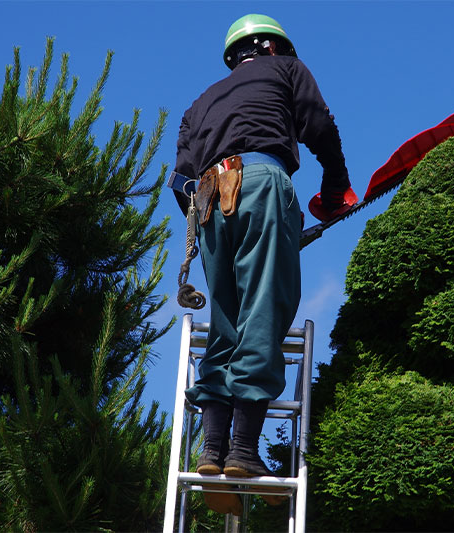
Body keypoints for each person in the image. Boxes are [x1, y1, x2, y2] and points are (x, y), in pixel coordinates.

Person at [173, 13, 352, 515]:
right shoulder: (286, 70)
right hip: (263, 181)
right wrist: (335, 190)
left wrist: (215, 221)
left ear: (235, 57)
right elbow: (319, 124)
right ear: (274, 48)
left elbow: (179, 182)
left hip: (207, 201)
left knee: (226, 320)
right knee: (265, 312)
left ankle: (211, 449)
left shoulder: (199, 103)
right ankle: (244, 452)